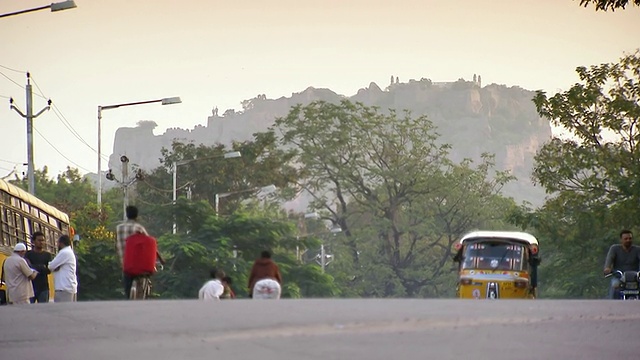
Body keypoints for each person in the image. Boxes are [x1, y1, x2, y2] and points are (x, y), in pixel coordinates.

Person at [116, 206, 164, 299]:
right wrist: (160, 258)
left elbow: (117, 245)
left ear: (127, 214)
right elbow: (149, 244)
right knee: (144, 276)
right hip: (138, 263)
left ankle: (128, 296)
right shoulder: (138, 227)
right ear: (137, 216)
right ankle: (142, 294)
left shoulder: (119, 228)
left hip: (125, 262)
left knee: (127, 281)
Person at [604, 229, 640, 299]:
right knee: (615, 285)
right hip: (619, 277)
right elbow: (609, 260)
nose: (628, 240)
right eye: (626, 239)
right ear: (621, 240)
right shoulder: (614, 249)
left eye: (630, 238)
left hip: (635, 277)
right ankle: (612, 305)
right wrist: (607, 268)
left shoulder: (637, 249)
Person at [48, 235, 78, 302]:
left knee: (62, 311)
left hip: (64, 288)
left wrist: (53, 266)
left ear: (61, 243)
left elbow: (51, 266)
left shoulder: (64, 252)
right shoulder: (69, 252)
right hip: (69, 287)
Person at [25, 232, 53, 303]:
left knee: (44, 311)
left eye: (43, 240)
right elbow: (27, 267)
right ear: (33, 241)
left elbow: (49, 270)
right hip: (31, 287)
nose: (41, 242)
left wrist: (35, 267)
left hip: (43, 288)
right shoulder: (28, 254)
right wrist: (41, 267)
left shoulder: (47, 255)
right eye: (39, 240)